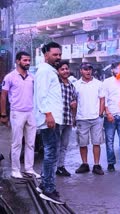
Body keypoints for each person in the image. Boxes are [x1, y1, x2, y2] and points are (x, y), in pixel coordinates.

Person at [0, 51, 40, 179]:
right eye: (25, 60)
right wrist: (3, 114)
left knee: (31, 143)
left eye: (29, 60)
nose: (27, 63)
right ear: (17, 61)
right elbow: (3, 96)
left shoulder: (32, 77)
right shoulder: (10, 77)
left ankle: (29, 169)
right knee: (16, 142)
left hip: (31, 112)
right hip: (16, 112)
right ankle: (15, 170)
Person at [34, 42, 64, 204]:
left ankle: (43, 184)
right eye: (55, 54)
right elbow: (41, 96)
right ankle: (48, 189)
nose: (58, 57)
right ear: (46, 55)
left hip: (53, 117)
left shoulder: (50, 71)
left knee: (52, 152)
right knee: (52, 153)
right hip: (49, 118)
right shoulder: (44, 71)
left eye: (59, 54)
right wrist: (48, 115)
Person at [73, 63, 105, 175]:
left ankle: (96, 165)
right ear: (81, 71)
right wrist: (74, 117)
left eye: (90, 69)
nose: (88, 72)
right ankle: (84, 164)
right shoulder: (76, 85)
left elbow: (102, 99)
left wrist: (100, 113)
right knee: (83, 143)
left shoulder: (98, 84)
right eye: (85, 69)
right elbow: (74, 102)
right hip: (81, 118)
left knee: (97, 143)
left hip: (96, 118)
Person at [56, 60, 77, 177]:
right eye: (62, 69)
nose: (65, 71)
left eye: (66, 69)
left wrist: (73, 117)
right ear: (58, 71)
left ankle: (60, 167)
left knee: (64, 145)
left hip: (68, 120)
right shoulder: (55, 84)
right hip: (57, 120)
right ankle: (51, 168)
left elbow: (73, 103)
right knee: (55, 145)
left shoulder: (72, 86)